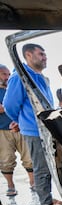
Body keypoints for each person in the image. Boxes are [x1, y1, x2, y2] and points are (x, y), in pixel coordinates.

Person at [3, 43, 62, 205]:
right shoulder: (20, 77)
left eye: (45, 54)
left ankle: (47, 197)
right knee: (41, 168)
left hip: (46, 129)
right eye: (41, 54)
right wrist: (22, 121)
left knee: (50, 167)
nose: (45, 57)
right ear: (28, 55)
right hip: (33, 130)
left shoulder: (40, 77)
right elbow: (10, 105)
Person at [0, 64, 35, 197]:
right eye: (4, 74)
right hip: (2, 130)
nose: (7, 77)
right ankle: (10, 185)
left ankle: (33, 182)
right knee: (6, 159)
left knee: (29, 157)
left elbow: (24, 105)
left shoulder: (13, 88)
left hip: (21, 128)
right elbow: (5, 108)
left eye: (9, 74)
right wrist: (11, 105)